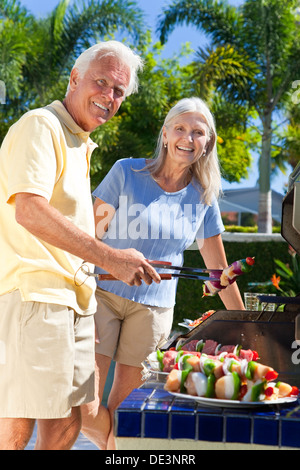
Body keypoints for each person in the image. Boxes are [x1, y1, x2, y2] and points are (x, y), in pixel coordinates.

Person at [0, 40, 161, 451]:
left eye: (119, 91)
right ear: (75, 78)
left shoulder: (78, 143)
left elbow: (63, 238)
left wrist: (114, 269)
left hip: (71, 303)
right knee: (21, 423)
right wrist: (109, 256)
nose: (109, 97)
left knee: (67, 424)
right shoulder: (41, 126)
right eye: (102, 82)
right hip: (37, 297)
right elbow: (29, 211)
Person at [80, 97, 245, 449]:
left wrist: (245, 323)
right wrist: (78, 293)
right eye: (181, 129)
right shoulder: (127, 173)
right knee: (81, 406)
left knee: (127, 417)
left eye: (198, 132)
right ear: (166, 134)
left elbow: (218, 269)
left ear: (207, 143)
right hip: (101, 297)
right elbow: (88, 237)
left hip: (153, 312)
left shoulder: (204, 197)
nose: (188, 138)